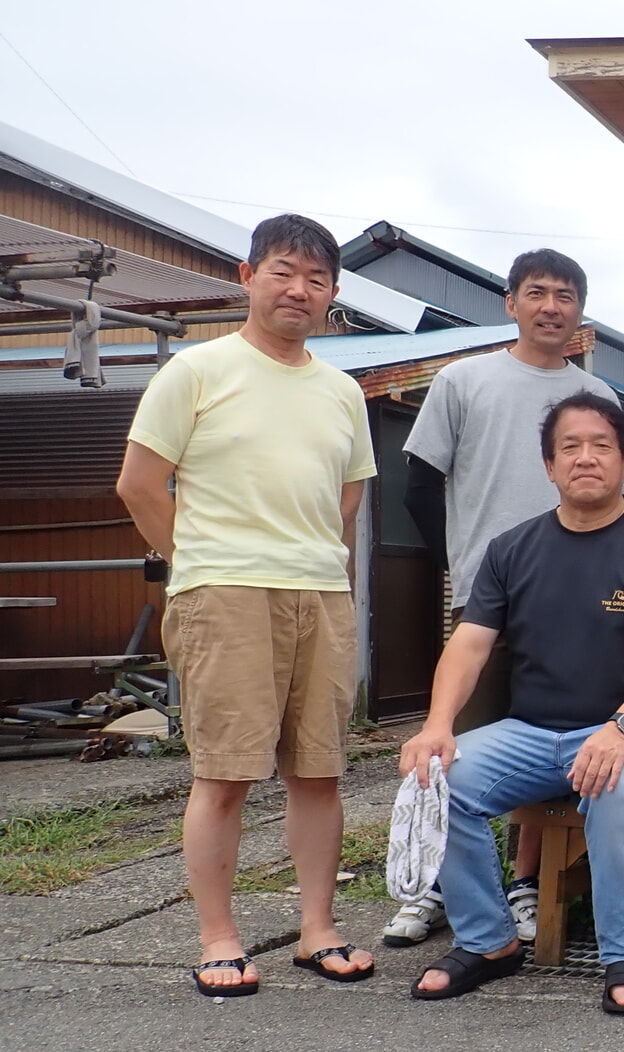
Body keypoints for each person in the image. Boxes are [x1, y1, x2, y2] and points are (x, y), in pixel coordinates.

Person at [117, 214, 379, 995]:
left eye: (317, 278)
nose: (300, 289)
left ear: (333, 292)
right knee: (226, 773)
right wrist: (196, 562)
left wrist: (319, 565)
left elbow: (347, 500)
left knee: (319, 771)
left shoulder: (342, 391)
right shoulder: (197, 370)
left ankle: (318, 928)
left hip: (321, 594)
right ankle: (219, 937)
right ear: (248, 275)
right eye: (284, 271)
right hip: (222, 591)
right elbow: (138, 482)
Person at [398, 393, 624, 1014]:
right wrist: (436, 726)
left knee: (615, 787)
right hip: (534, 730)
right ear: (549, 465)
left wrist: (619, 730)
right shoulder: (511, 549)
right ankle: (488, 941)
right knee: (438, 775)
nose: (586, 458)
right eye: (570, 447)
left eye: (601, 447)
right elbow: (469, 646)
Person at [382, 249, 624, 949]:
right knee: (459, 746)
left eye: (564, 295)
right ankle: (437, 886)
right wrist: (462, 562)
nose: (551, 306)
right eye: (537, 293)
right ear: (510, 302)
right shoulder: (464, 379)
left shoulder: (599, 397)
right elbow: (419, 485)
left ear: (581, 311)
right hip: (487, 600)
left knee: (544, 739)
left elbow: (622, 502)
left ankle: (524, 882)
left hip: (581, 603)